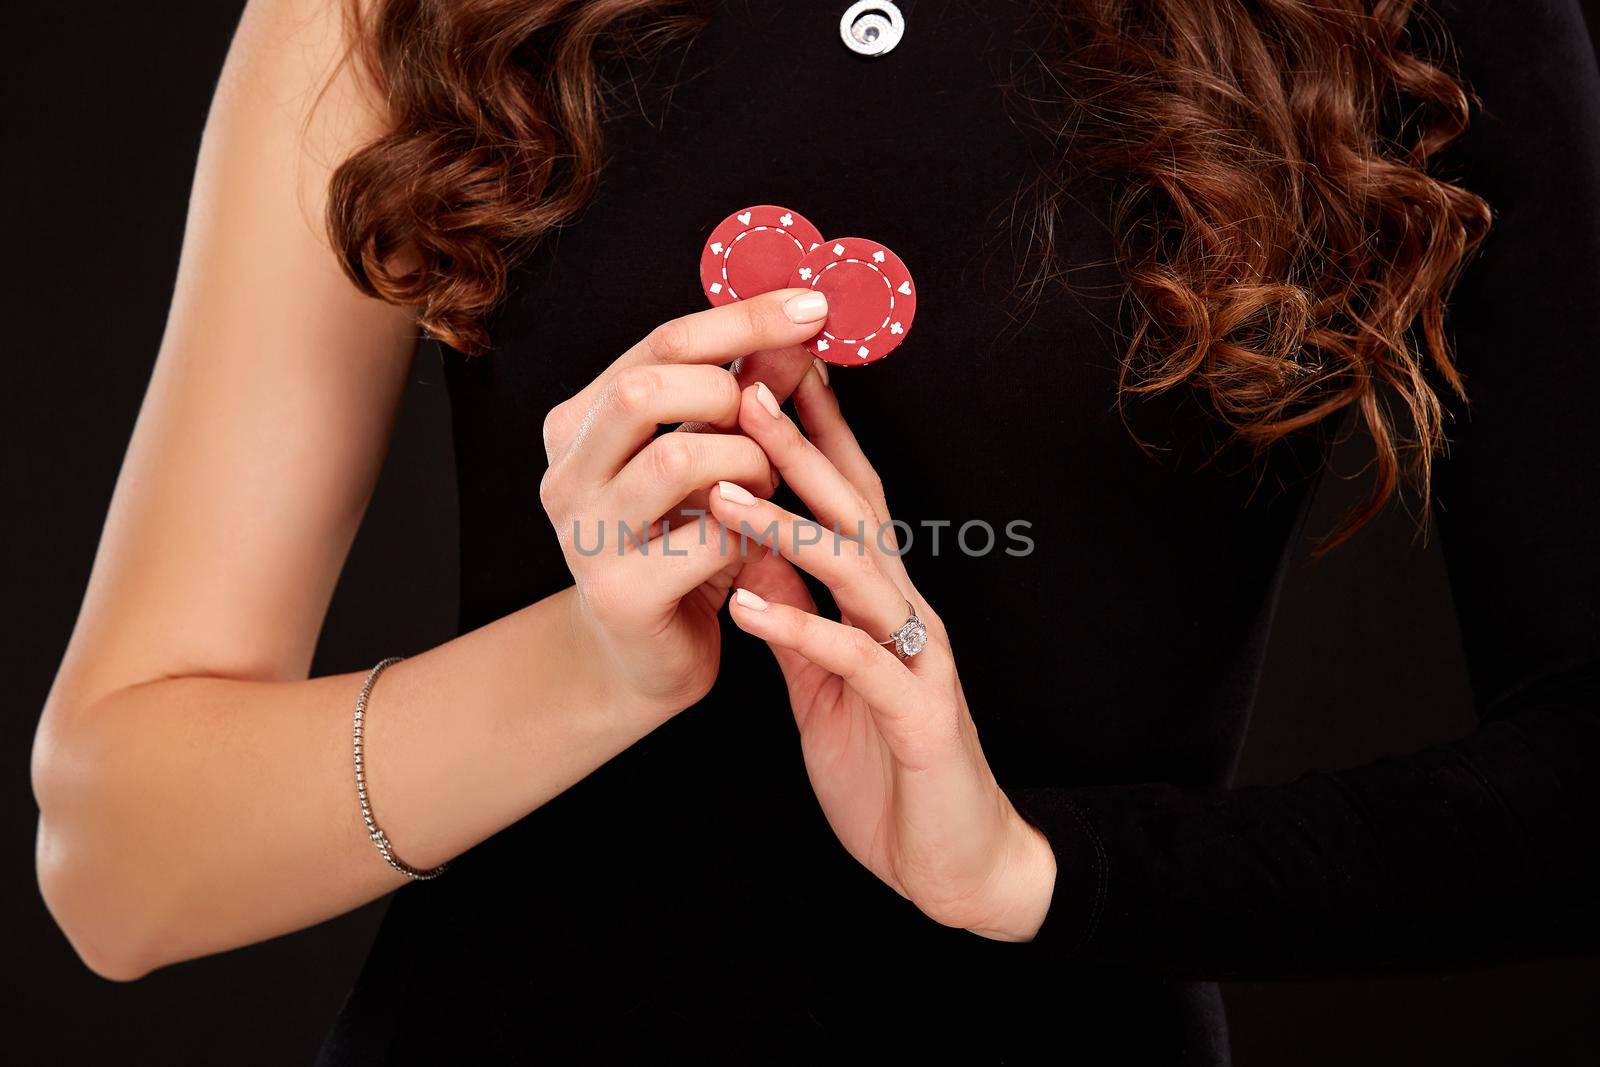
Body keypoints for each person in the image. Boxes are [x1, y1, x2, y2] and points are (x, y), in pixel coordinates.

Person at [31, 0, 1598, 1061]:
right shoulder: (400, 13)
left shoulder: (1402, 24)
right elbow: (119, 868)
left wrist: (1037, 872)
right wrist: (596, 667)